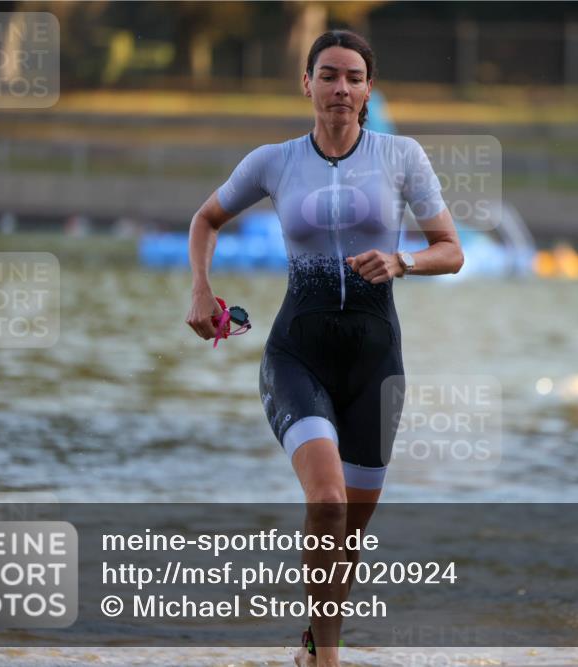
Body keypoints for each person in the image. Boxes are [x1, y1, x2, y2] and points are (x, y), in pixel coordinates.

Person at [185, 30, 463, 667]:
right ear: (306, 83)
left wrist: (401, 260)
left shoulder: (401, 156)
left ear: (368, 90)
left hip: (375, 362)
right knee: (328, 501)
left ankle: (312, 643)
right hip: (297, 355)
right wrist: (201, 289)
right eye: (329, 75)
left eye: (354, 77)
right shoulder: (273, 161)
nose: (342, 88)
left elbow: (452, 249)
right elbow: (206, 220)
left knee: (347, 534)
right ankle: (326, 656)